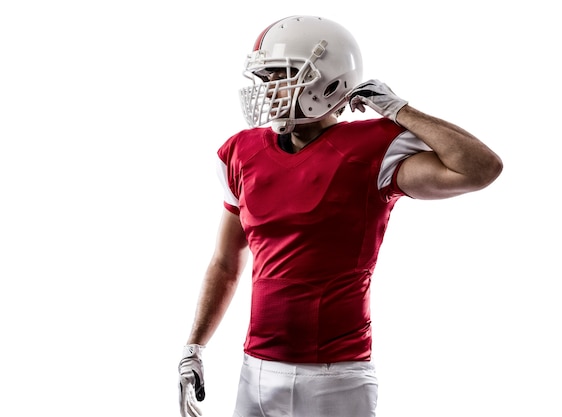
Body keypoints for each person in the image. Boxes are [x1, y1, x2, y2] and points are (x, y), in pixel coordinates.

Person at [178, 15, 503, 417]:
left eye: (281, 76)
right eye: (266, 79)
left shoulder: (369, 148)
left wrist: (401, 111)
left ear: (327, 80)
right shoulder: (241, 152)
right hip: (255, 370)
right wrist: (194, 346)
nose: (269, 90)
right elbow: (226, 263)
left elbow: (479, 168)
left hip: (336, 378)